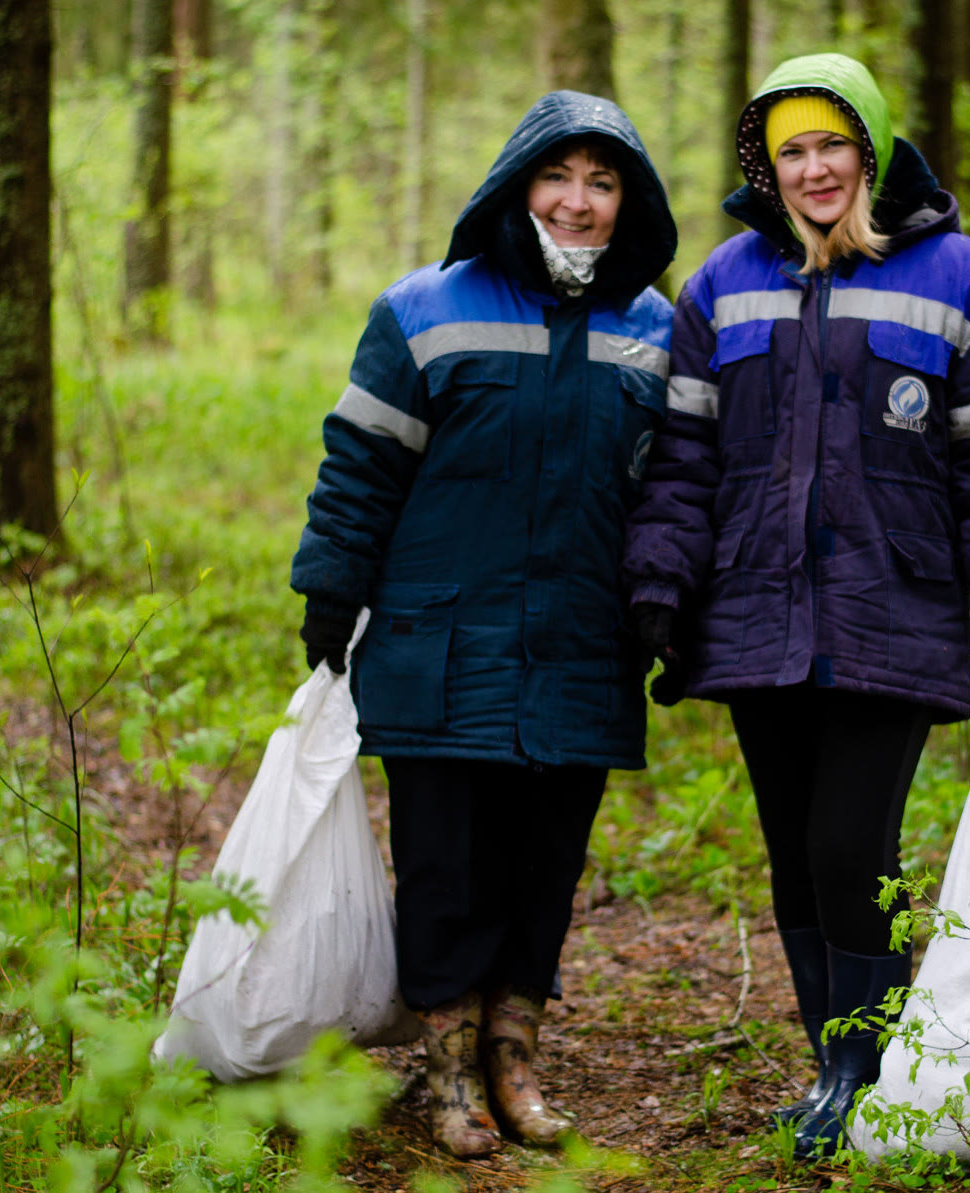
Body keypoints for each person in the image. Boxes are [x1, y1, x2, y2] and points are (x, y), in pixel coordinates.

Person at [621, 53, 970, 1158]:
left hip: (893, 607)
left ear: (870, 154)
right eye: (792, 150)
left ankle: (864, 1067)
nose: (814, 168)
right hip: (756, 611)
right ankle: (840, 1059)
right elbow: (683, 462)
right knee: (791, 849)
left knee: (847, 842)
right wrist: (659, 588)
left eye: (834, 145)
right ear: (765, 166)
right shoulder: (721, 285)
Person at [290, 92, 675, 1158]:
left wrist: (670, 609)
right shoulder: (422, 309)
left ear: (628, 201)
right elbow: (360, 466)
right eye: (561, 177)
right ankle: (448, 1068)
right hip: (439, 640)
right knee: (447, 860)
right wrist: (333, 585)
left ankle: (515, 1056)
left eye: (605, 183)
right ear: (518, 183)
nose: (580, 201)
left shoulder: (656, 330)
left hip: (583, 645)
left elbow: (678, 493)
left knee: (545, 862)